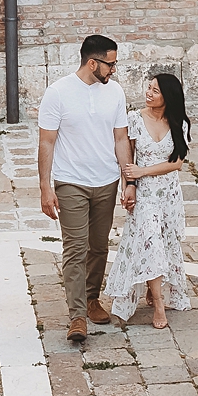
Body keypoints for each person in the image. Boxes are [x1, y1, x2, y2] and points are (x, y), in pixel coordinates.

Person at [37, 33, 129, 345]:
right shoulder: (58, 93)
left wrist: (127, 180)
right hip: (70, 181)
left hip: (106, 181)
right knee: (75, 247)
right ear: (93, 63)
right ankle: (77, 315)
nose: (113, 70)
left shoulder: (115, 93)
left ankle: (92, 299)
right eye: (111, 64)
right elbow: (46, 142)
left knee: (99, 246)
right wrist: (45, 188)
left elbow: (120, 139)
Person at [106, 72, 194, 330]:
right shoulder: (134, 119)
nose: (149, 93)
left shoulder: (179, 123)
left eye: (155, 91)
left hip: (168, 194)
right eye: (149, 87)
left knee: (165, 244)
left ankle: (151, 288)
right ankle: (158, 304)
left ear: (168, 97)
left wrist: (143, 172)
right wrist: (129, 187)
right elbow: (127, 158)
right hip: (144, 197)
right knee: (151, 246)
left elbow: (177, 163)